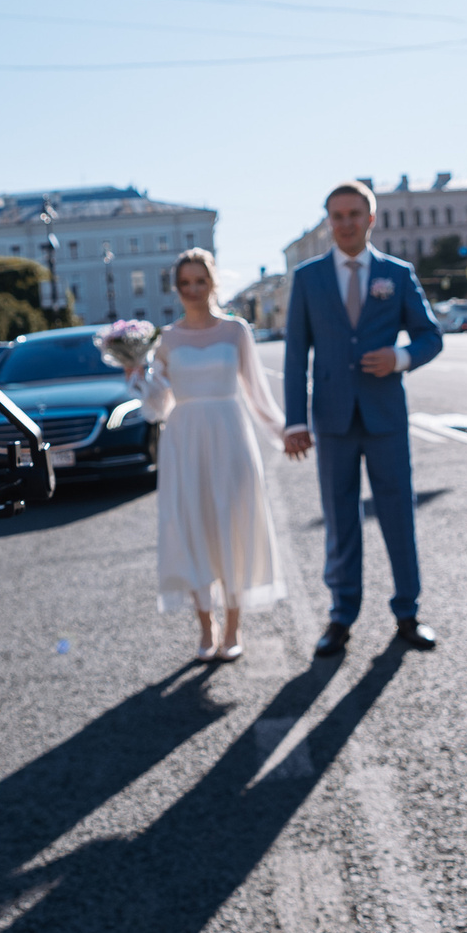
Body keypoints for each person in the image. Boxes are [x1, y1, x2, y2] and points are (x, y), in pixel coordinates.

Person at [282, 182, 444, 659]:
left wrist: (399, 357)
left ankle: (408, 613)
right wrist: (295, 421)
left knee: (398, 514)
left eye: (354, 214)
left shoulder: (397, 273)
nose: (346, 223)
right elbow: (296, 356)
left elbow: (430, 337)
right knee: (340, 519)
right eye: (337, 215)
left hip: (385, 416)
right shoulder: (308, 278)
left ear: (371, 219)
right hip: (332, 420)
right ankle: (341, 616)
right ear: (328, 221)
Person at [120, 250, 291, 661]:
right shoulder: (165, 339)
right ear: (176, 289)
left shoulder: (236, 331)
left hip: (231, 437)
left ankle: (233, 627)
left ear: (213, 282)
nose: (193, 290)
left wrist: (288, 433)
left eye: (200, 281)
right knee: (191, 524)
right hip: (184, 441)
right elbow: (158, 407)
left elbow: (257, 393)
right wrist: (135, 377)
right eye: (185, 283)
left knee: (232, 525)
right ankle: (205, 626)